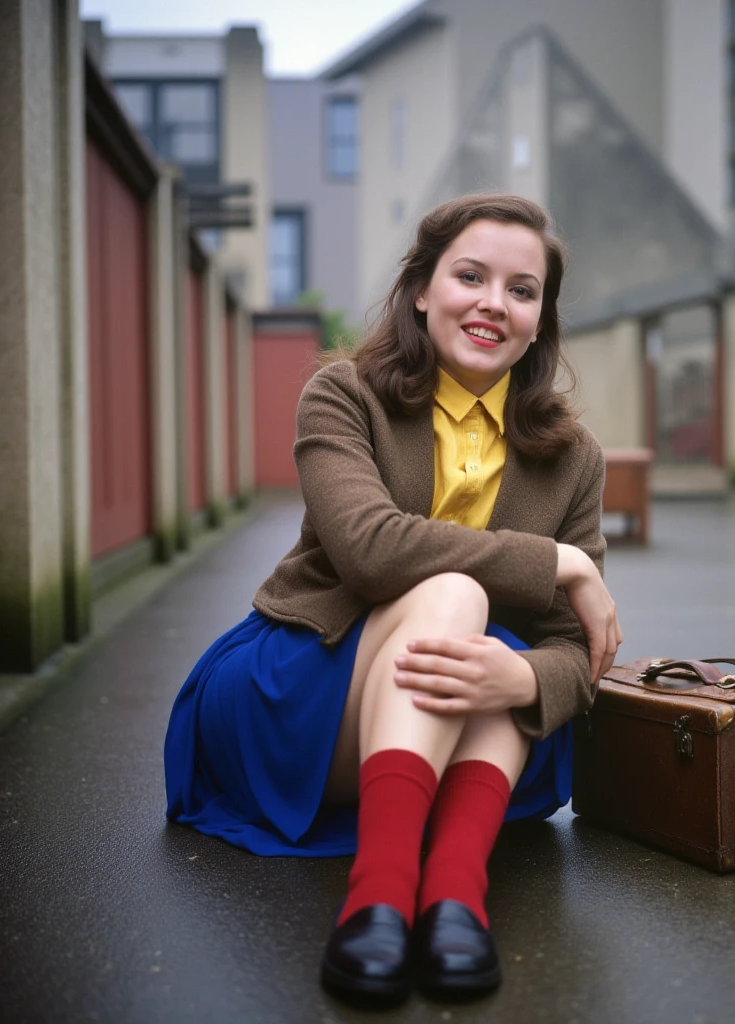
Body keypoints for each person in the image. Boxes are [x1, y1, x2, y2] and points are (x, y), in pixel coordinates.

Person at [164, 193, 622, 1006]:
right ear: (421, 287)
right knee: (449, 594)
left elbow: (578, 648)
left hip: (461, 715)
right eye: (470, 276)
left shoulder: (573, 456)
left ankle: (452, 899)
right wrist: (558, 560)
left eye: (522, 290)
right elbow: (373, 554)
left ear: (541, 317)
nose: (493, 303)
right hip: (304, 687)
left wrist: (524, 682)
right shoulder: (343, 394)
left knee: (504, 656)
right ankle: (377, 895)